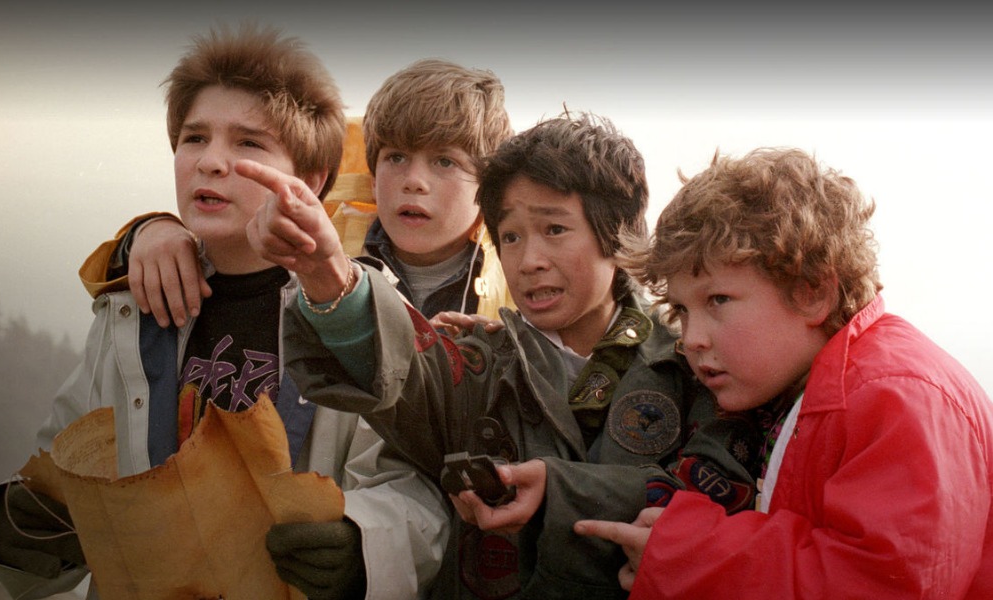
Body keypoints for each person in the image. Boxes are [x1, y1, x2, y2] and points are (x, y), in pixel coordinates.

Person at [0, 24, 449, 600]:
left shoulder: (362, 309)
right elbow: (64, 470)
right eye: (194, 138)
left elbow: (417, 488)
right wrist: (20, 536)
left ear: (309, 180)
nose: (211, 161)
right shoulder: (131, 309)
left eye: (248, 144)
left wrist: (363, 545)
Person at [244, 112, 759, 599]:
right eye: (510, 236)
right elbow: (406, 369)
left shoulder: (695, 362)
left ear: (617, 234)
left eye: (554, 229)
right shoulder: (483, 364)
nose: (529, 260)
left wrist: (560, 491)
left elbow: (724, 498)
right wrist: (326, 269)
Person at [575, 147, 993, 598]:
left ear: (811, 293)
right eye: (681, 309)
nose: (692, 338)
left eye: (718, 300)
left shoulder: (900, 397)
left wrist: (685, 558)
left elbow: (886, 585)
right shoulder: (808, 387)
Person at [82, 57, 514, 328]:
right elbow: (234, 246)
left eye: (445, 162)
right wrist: (150, 230)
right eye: (396, 157)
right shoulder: (320, 238)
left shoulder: (516, 273)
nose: (414, 181)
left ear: (488, 183)